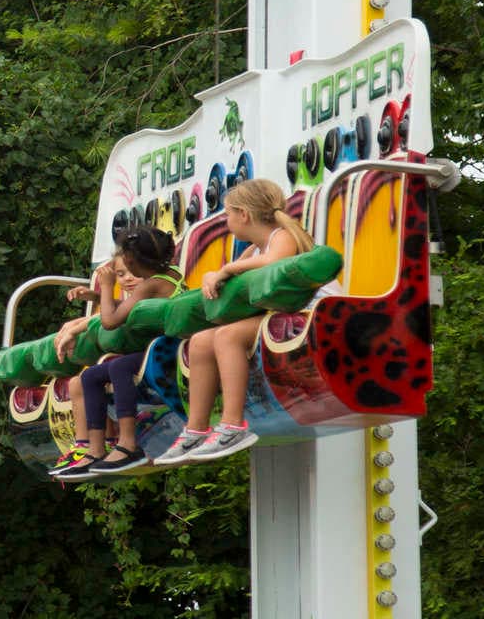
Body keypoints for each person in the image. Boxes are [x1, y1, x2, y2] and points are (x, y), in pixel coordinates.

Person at [158, 178, 314, 464]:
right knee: (201, 341)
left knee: (226, 336)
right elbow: (231, 275)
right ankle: (196, 428)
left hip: (306, 315)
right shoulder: (253, 249)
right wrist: (213, 276)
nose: (227, 220)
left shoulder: (283, 236)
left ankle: (232, 424)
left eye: (229, 213)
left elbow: (273, 263)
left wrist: (228, 268)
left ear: (244, 215)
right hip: (274, 315)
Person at [46, 227, 182, 479]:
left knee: (118, 367)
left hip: (167, 350)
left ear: (136, 261)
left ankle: (128, 444)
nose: (127, 274)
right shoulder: (169, 275)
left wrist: (107, 286)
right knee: (91, 377)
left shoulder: (152, 284)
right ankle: (96, 449)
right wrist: (98, 295)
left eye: (128, 266)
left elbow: (109, 321)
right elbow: (133, 306)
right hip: (156, 348)